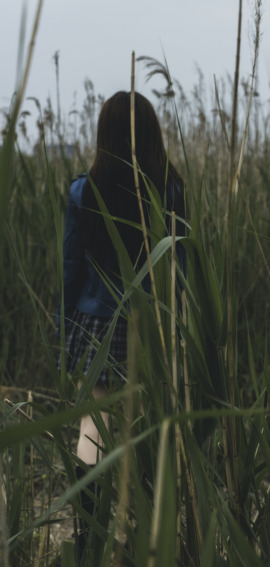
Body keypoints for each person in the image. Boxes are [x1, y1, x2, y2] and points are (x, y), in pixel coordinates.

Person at [56, 91, 186, 539]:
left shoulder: (83, 190)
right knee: (145, 423)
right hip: (151, 323)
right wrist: (180, 327)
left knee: (93, 425)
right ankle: (144, 536)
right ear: (152, 134)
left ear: (104, 135)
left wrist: (64, 328)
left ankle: (87, 536)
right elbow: (180, 269)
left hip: (95, 321)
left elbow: (71, 266)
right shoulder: (169, 190)